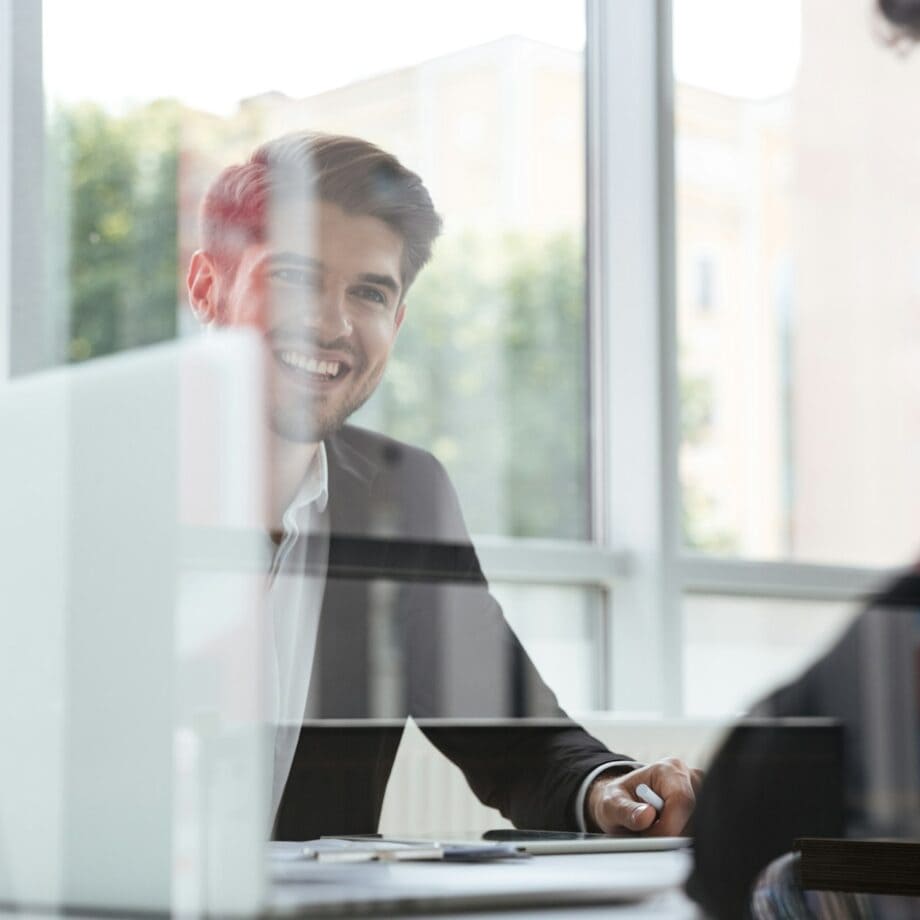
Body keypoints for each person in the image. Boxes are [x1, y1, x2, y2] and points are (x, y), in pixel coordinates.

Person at [186, 131, 700, 840]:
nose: (333, 323)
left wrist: (608, 790)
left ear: (395, 322)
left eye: (368, 292)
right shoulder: (74, 478)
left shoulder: (402, 495)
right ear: (208, 286)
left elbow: (515, 739)